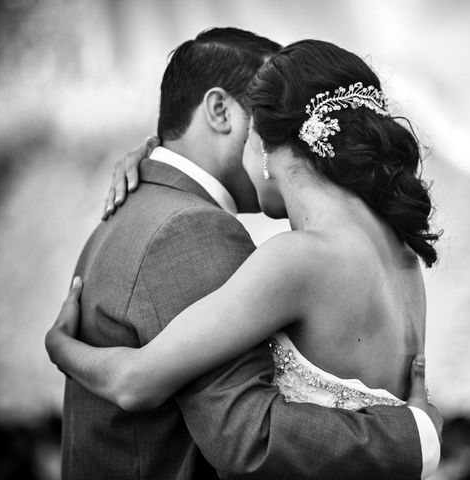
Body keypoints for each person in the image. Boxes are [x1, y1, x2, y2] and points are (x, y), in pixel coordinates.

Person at [47, 31, 442, 480]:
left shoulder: (293, 259)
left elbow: (213, 420)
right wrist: (419, 433)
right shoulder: (404, 256)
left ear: (270, 141)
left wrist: (60, 347)